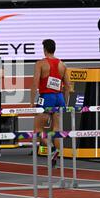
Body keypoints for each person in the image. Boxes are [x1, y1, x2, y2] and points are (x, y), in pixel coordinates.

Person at [30, 39, 70, 168]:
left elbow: (35, 83)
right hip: (59, 98)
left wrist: (31, 102)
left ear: (45, 49)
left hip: (47, 97)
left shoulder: (41, 63)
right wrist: (66, 104)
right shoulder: (62, 65)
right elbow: (68, 86)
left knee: (37, 129)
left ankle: (51, 149)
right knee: (57, 129)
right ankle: (58, 156)